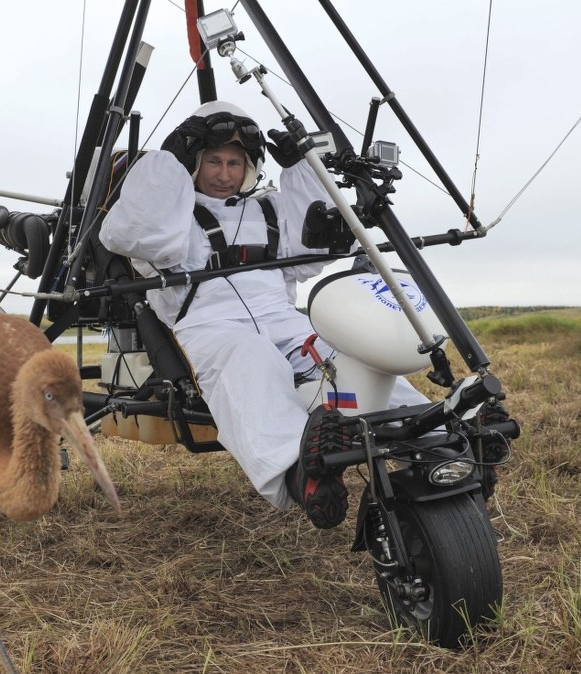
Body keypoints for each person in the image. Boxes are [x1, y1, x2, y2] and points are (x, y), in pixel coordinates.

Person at [99, 100, 426, 528]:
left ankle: (430, 438)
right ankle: (302, 471)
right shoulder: (170, 215)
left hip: (284, 320)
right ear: (193, 162)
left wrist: (303, 170)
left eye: (235, 162)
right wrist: (168, 165)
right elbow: (132, 235)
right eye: (212, 160)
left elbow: (314, 249)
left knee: (342, 357)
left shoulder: (268, 208)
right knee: (251, 358)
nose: (224, 173)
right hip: (210, 327)